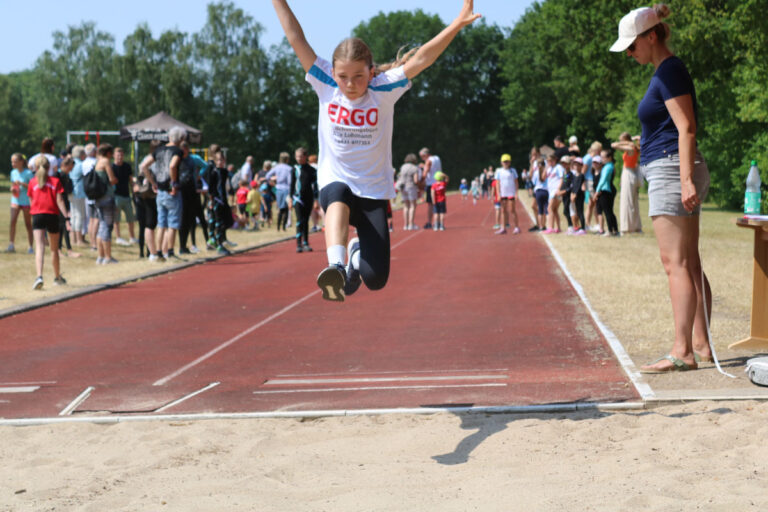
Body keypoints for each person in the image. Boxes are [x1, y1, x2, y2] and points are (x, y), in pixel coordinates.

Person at [272, 0, 480, 301]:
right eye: (343, 77)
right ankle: (336, 266)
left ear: (371, 73)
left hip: (372, 190)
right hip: (336, 179)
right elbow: (295, 38)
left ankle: (355, 254)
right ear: (333, 72)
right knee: (337, 193)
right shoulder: (325, 82)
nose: (350, 84)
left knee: (375, 278)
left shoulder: (384, 89)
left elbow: (423, 58)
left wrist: (456, 25)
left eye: (358, 76)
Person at [611, 4, 712, 372]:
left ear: (651, 37)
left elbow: (687, 127)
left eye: (631, 46)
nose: (629, 54)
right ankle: (700, 345)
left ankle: (683, 351)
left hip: (672, 169)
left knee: (676, 263)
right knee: (689, 262)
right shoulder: (666, 71)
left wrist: (685, 180)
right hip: (672, 166)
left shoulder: (669, 71)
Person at [140, 126, 185, 260]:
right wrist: (173, 183)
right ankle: (170, 251)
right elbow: (172, 165)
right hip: (171, 191)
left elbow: (144, 166)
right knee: (173, 223)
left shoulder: (159, 150)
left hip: (160, 190)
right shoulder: (177, 151)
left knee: (161, 223)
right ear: (181, 138)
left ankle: (158, 252)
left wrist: (152, 182)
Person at [27, 156, 70, 289]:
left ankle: (39, 276)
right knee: (54, 249)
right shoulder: (55, 181)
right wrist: (66, 217)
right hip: (52, 215)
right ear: (49, 167)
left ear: (35, 167)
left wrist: (34, 213)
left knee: (39, 247)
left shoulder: (32, 182)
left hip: (37, 215)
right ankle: (57, 277)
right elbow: (60, 200)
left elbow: (31, 201)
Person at [178, 141, 210, 254]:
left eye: (185, 149)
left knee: (193, 219)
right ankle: (184, 245)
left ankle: (205, 243)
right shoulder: (177, 158)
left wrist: (199, 175)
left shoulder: (194, 158)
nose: (184, 152)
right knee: (185, 220)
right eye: (182, 150)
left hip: (193, 191)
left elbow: (205, 165)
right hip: (182, 192)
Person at [135, 141, 162, 261]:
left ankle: (149, 251)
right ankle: (150, 252)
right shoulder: (152, 159)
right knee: (149, 224)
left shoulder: (147, 158)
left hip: (146, 195)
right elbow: (143, 170)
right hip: (150, 195)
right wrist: (153, 182)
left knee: (148, 224)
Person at [612, 132, 643, 234]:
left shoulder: (630, 148)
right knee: (633, 201)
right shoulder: (634, 148)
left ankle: (626, 227)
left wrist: (627, 142)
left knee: (627, 202)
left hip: (629, 173)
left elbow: (613, 145)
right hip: (630, 173)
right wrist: (631, 141)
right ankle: (636, 227)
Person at [93, 144, 119, 264]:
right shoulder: (106, 161)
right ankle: (108, 257)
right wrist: (116, 180)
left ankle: (100, 256)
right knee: (107, 226)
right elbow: (112, 179)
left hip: (98, 197)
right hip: (107, 197)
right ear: (108, 153)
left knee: (101, 226)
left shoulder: (97, 162)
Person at [290, 147, 319, 252]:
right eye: (297, 156)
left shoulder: (312, 170)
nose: (298, 158)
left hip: (308, 198)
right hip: (297, 198)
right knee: (299, 220)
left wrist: (316, 200)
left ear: (305, 157)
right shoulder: (294, 169)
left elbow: (315, 187)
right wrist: (290, 199)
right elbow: (292, 185)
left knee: (306, 220)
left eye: (300, 156)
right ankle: (299, 244)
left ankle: (306, 242)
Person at [8, 153, 34, 254]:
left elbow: (32, 186)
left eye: (15, 162)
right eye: (12, 162)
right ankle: (11, 245)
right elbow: (12, 185)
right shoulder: (13, 172)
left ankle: (30, 247)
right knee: (12, 221)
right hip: (15, 200)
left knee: (28, 224)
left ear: (21, 162)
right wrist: (12, 189)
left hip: (26, 201)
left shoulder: (28, 173)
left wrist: (22, 184)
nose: (13, 164)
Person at [207, 151, 233, 255]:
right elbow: (210, 188)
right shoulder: (213, 172)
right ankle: (219, 244)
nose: (220, 162)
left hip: (223, 200)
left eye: (222, 160)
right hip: (216, 200)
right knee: (219, 222)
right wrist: (211, 200)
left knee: (228, 221)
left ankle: (215, 240)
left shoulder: (225, 172)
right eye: (218, 160)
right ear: (215, 161)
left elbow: (227, 185)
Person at [111, 147, 137, 246]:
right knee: (116, 219)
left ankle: (132, 237)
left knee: (130, 218)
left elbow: (131, 179)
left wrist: (134, 188)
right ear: (114, 156)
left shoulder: (127, 166)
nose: (120, 157)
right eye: (118, 155)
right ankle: (118, 237)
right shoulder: (111, 167)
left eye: (121, 155)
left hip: (126, 195)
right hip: (116, 196)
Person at [594, 149, 619, 236]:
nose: (601, 159)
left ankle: (610, 231)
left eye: (603, 157)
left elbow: (603, 180)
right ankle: (615, 230)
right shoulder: (609, 166)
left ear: (609, 158)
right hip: (608, 190)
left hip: (606, 191)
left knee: (607, 212)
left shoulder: (608, 167)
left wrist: (597, 191)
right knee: (610, 211)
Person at [495, 154, 520, 235]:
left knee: (512, 210)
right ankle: (503, 228)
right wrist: (498, 194)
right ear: (501, 162)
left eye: (507, 161)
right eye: (504, 161)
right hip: (503, 194)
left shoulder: (513, 171)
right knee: (503, 211)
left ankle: (516, 227)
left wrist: (516, 193)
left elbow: (516, 182)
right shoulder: (499, 171)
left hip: (511, 193)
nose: (505, 163)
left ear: (510, 162)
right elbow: (497, 183)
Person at [267, 153, 293, 231]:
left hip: (278, 189)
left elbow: (267, 176)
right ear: (287, 159)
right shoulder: (289, 168)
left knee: (280, 208)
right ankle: (284, 227)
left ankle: (278, 227)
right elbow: (290, 181)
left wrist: (272, 182)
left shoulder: (277, 167)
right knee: (286, 209)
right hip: (287, 189)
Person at [419, 147, 443, 230]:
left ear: (425, 155)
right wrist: (424, 165)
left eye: (422, 157)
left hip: (431, 184)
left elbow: (426, 172)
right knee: (440, 201)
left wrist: (420, 182)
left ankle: (429, 222)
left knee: (430, 204)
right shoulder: (437, 158)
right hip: (439, 183)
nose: (422, 159)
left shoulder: (428, 161)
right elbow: (434, 168)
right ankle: (439, 222)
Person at [68, 146, 87, 247]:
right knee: (79, 215)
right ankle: (79, 239)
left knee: (73, 215)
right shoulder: (81, 165)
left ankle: (73, 239)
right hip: (79, 192)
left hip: (70, 192)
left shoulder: (70, 163)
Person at [396, 153, 420, 230]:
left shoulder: (403, 166)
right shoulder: (414, 168)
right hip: (411, 187)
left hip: (402, 187)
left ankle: (405, 225)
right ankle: (411, 224)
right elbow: (416, 180)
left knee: (406, 206)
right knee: (412, 206)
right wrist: (420, 186)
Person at [544, 153, 563, 233]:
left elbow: (562, 178)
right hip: (550, 191)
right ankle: (558, 228)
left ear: (555, 160)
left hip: (555, 191)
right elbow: (543, 177)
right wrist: (546, 168)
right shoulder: (549, 169)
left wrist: (558, 189)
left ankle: (550, 227)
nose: (549, 162)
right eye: (548, 161)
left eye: (551, 161)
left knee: (549, 208)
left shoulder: (558, 167)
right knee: (554, 210)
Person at [569, 157, 587, 234]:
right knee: (575, 211)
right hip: (574, 194)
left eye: (578, 165)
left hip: (579, 195)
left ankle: (583, 228)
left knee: (580, 211)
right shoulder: (574, 175)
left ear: (581, 166)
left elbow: (579, 186)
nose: (576, 166)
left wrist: (575, 194)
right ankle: (576, 227)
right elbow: (573, 186)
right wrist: (571, 193)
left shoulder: (581, 175)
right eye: (575, 165)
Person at [532, 157, 548, 232]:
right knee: (546, 209)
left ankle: (540, 226)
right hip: (546, 191)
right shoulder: (547, 171)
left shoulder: (536, 172)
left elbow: (534, 182)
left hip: (538, 191)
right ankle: (544, 225)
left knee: (540, 210)